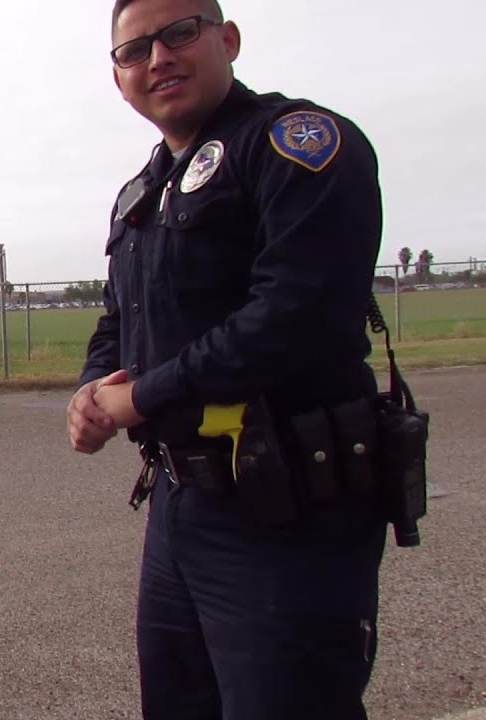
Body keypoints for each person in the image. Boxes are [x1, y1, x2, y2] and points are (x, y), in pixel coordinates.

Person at [65, 1, 390, 718]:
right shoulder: (142, 192)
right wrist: (92, 392)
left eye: (179, 33)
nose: (158, 58)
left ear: (228, 39)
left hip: (290, 507)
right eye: (134, 50)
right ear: (118, 77)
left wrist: (141, 397)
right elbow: (122, 317)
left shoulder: (296, 146)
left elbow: (295, 317)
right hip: (181, 502)